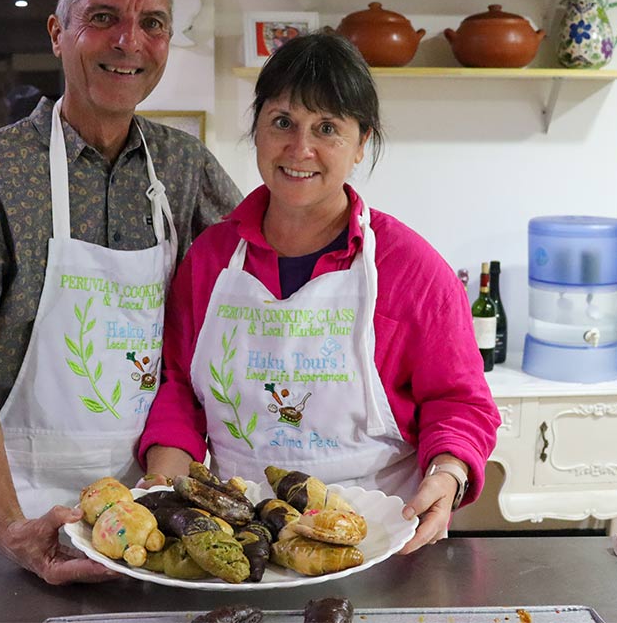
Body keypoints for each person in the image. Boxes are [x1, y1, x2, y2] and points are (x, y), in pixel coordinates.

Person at [0, 0, 241, 584]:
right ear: (58, 32)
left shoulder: (183, 165)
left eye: (152, 23)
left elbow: (266, 267)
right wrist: (9, 529)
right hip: (33, 509)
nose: (129, 42)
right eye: (103, 19)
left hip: (159, 503)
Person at [139, 33, 500, 553]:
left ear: (361, 145)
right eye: (282, 122)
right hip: (242, 540)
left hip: (380, 542)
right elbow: (177, 390)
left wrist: (447, 477)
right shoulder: (210, 262)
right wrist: (163, 489)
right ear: (257, 131)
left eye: (326, 128)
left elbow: (459, 402)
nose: (299, 149)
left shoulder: (412, 270)